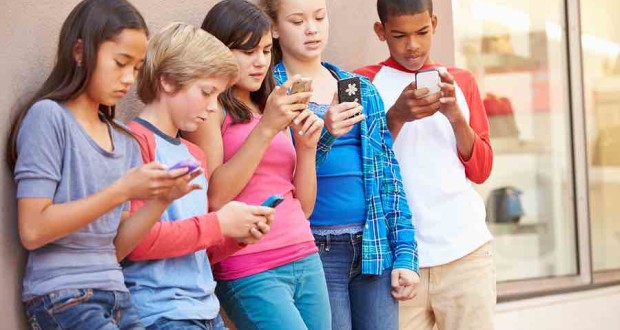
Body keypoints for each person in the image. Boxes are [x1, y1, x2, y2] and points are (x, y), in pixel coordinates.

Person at [8, 1, 200, 329]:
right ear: (80, 52)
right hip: (62, 294)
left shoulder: (124, 141)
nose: (128, 79)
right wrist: (120, 190)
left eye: (136, 68)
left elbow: (116, 248)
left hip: (117, 294)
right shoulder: (49, 118)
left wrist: (162, 200)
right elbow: (33, 230)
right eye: (120, 63)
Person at [259, 0, 419, 329]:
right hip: (314, 250)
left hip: (372, 246)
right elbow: (277, 183)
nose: (312, 28)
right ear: (274, 28)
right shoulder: (270, 94)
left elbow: (388, 176)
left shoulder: (358, 88)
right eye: (297, 20)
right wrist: (327, 134)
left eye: (319, 17)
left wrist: (405, 253)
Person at [184, 1, 330, 329]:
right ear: (218, 50)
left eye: (266, 50)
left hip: (304, 252)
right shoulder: (209, 110)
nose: (261, 62)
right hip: (249, 265)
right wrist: (267, 129)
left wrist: (306, 149)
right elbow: (215, 197)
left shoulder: (268, 106)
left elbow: (303, 207)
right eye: (248, 52)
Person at [121, 22, 276, 330]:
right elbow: (135, 243)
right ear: (167, 81)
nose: (211, 107)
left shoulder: (195, 154)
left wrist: (236, 236)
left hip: (206, 311)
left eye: (218, 96)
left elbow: (195, 246)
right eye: (206, 93)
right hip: (159, 313)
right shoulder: (134, 142)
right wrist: (218, 223)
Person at [355, 1, 496, 329]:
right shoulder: (364, 83)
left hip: (466, 253)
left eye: (422, 32)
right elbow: (358, 165)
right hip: (399, 258)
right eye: (400, 35)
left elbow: (482, 170)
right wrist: (396, 117)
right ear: (381, 32)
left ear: (434, 23)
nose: (413, 45)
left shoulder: (462, 81)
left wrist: (456, 117)